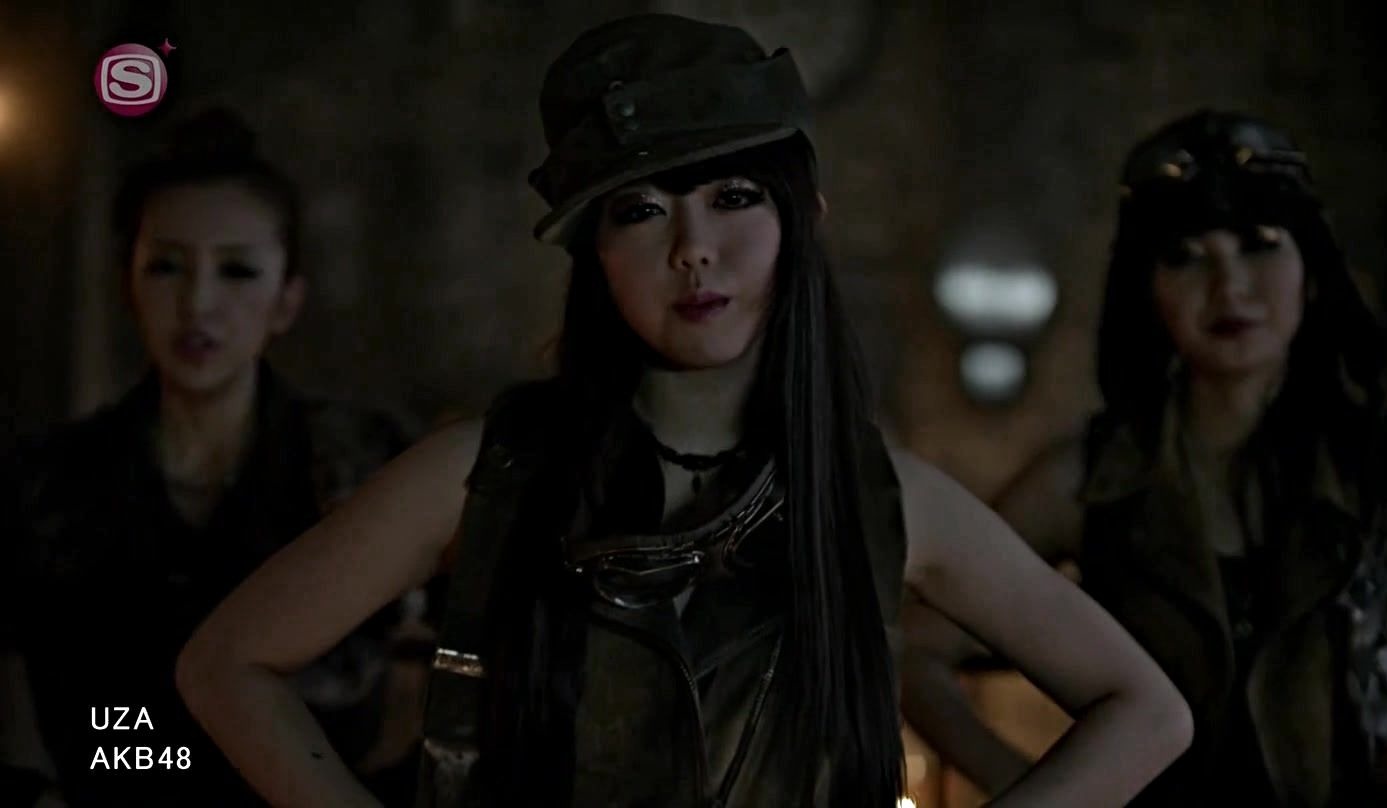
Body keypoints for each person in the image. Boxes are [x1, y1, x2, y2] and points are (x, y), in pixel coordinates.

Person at [176, 15, 1192, 807]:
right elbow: (227, 665)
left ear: (803, 219)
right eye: (642, 211)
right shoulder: (490, 471)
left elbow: (1147, 713)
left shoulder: (883, 496)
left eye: (734, 197)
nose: (693, 248)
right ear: (595, 253)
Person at [909, 110, 1387, 806]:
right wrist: (1048, 791)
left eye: (1259, 245)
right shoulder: (1086, 480)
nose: (1229, 287)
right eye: (1186, 256)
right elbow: (911, 652)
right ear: (1147, 286)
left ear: (1310, 269)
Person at [0, 108, 426, 807]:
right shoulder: (46, 480)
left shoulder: (368, 464)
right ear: (128, 283)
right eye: (166, 266)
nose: (198, 304)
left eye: (237, 270)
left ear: (286, 298)